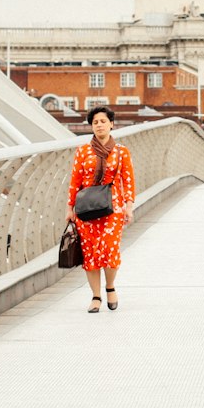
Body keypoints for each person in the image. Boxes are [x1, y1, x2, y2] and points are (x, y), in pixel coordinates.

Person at [66, 106, 136, 312]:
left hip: (113, 207)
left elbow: (128, 180)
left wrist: (128, 206)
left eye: (103, 121)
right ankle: (95, 297)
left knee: (110, 250)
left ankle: (110, 287)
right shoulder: (83, 151)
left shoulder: (121, 152)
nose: (99, 126)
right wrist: (70, 208)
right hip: (87, 208)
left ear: (111, 124)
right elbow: (75, 181)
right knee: (90, 254)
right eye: (95, 122)